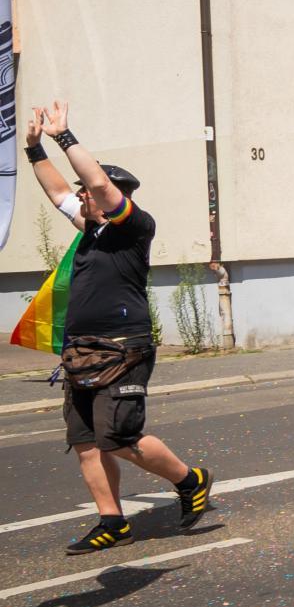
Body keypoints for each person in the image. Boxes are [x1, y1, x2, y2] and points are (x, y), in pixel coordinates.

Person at [24, 102, 213, 554]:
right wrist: (33, 149)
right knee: (87, 442)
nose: (81, 197)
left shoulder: (133, 228)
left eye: (87, 194)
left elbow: (97, 183)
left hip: (123, 348)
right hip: (82, 350)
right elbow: (57, 192)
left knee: (120, 438)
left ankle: (190, 479)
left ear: (113, 198)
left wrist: (63, 136)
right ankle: (112, 521)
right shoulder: (91, 230)